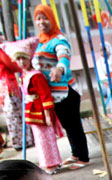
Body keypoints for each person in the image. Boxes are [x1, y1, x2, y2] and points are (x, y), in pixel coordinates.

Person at [32, 5, 90, 170]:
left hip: (66, 91)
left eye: (45, 18)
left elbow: (64, 56)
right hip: (53, 94)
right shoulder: (41, 42)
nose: (41, 22)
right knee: (67, 125)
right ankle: (76, 153)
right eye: (38, 18)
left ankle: (83, 157)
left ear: (52, 19)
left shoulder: (59, 39)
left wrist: (59, 69)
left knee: (74, 125)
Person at [0, 25, 34, 152]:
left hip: (0, 86)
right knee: (17, 114)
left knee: (11, 115)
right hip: (8, 84)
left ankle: (18, 140)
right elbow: (13, 66)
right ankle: (23, 140)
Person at [13, 48, 64, 174]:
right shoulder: (23, 75)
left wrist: (47, 115)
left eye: (23, 58)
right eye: (18, 59)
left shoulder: (36, 75)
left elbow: (45, 95)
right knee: (40, 139)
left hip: (40, 111)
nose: (21, 62)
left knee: (46, 139)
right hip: (31, 110)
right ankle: (49, 162)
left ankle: (51, 163)